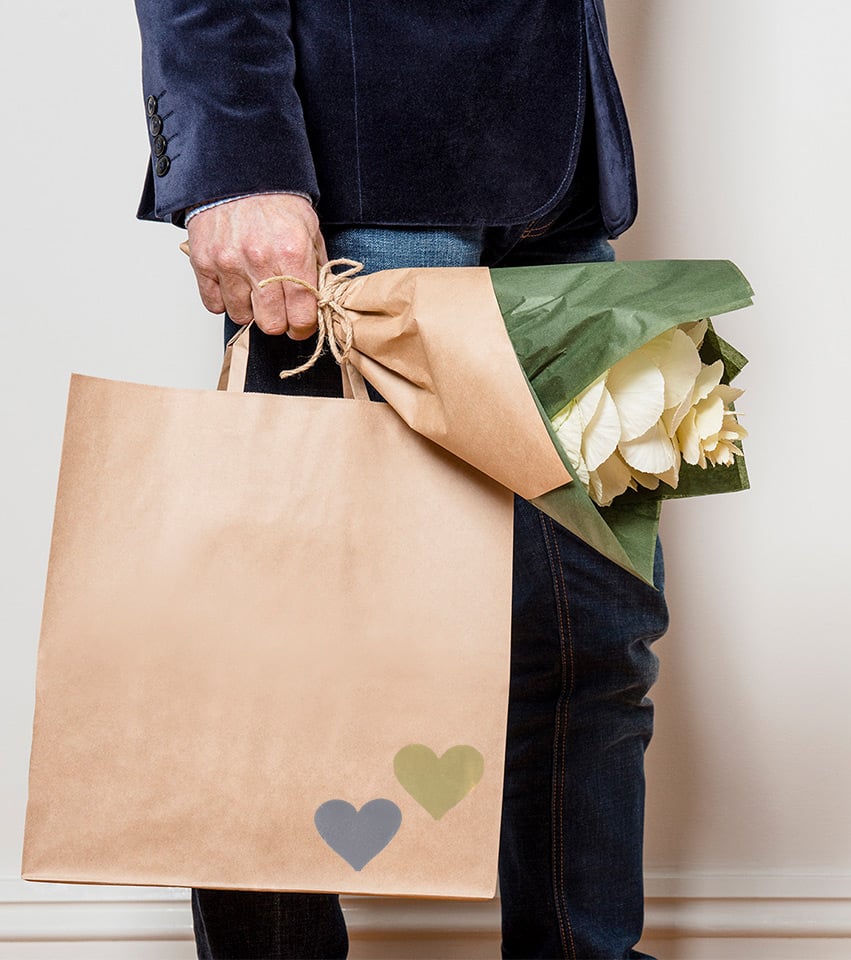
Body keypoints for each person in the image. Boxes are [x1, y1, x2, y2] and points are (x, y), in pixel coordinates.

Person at [133, 3, 667, 957]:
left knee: (593, 644)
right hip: (356, 187)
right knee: (289, 674)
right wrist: (236, 159)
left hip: (559, 189)